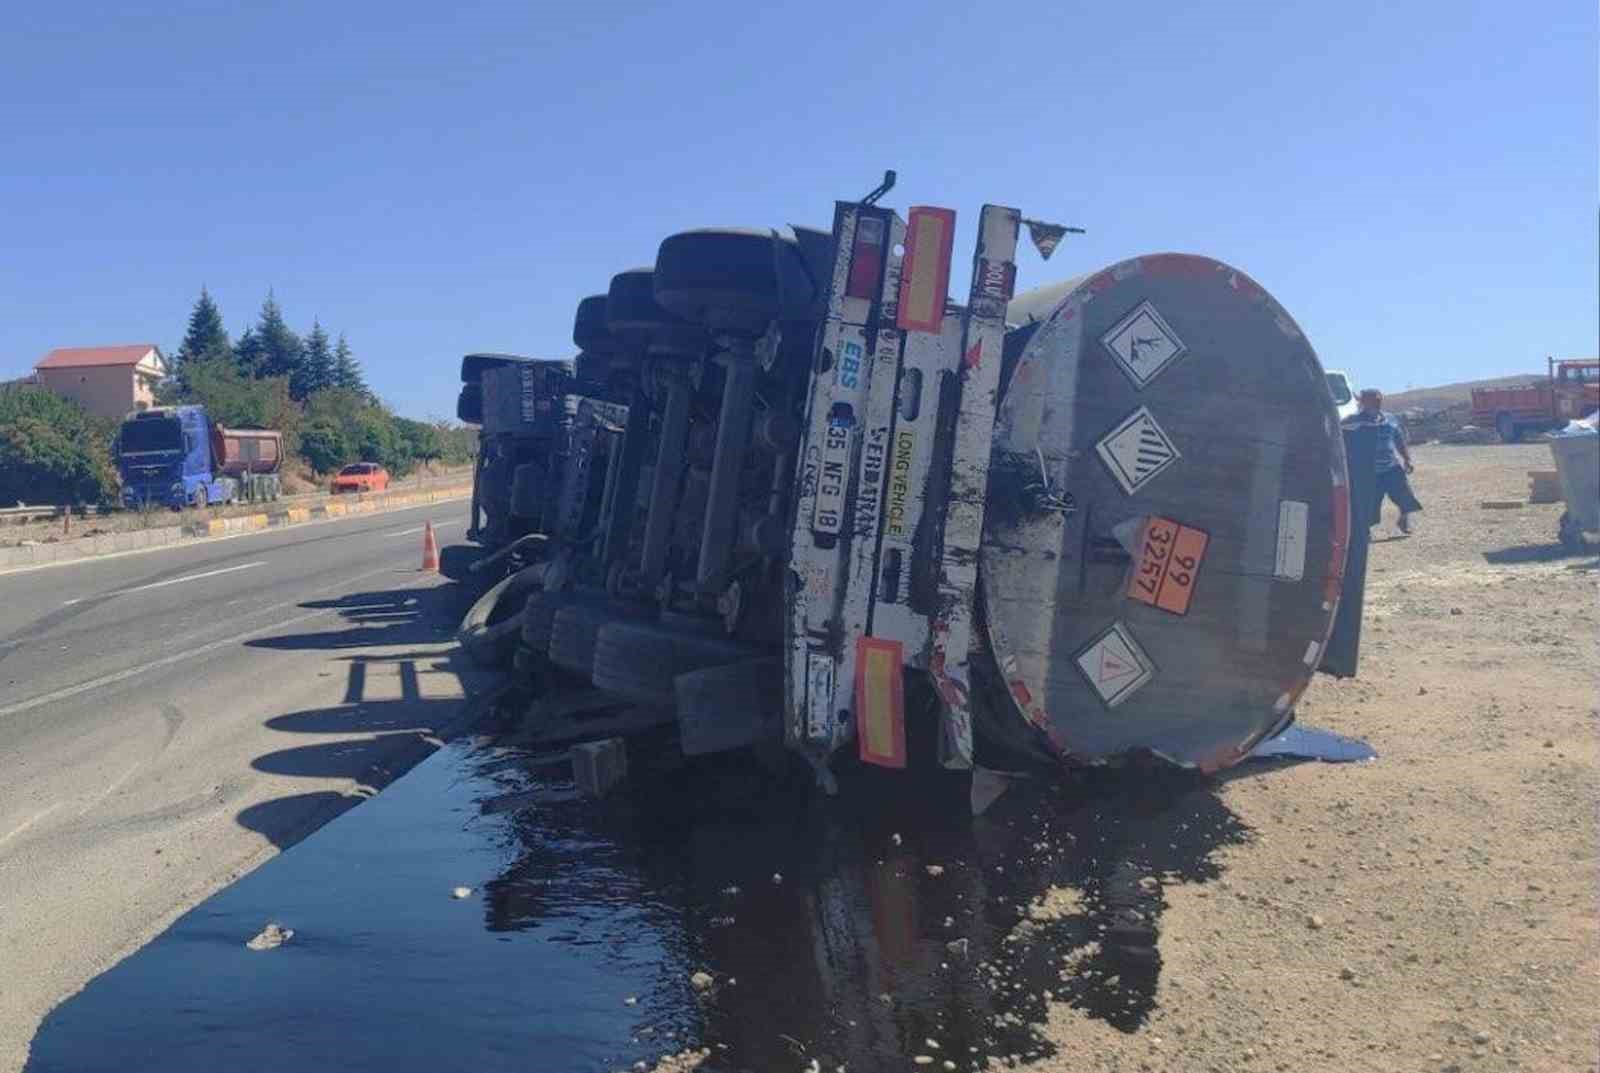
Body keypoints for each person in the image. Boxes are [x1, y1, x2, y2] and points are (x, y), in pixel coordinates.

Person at [1342, 388, 1422, 533]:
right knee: (1370, 503)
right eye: (1373, 400)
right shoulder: (1352, 421)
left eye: (1379, 400)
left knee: (1405, 496)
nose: (1378, 403)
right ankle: (1365, 531)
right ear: (1363, 402)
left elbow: (1399, 440)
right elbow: (1339, 439)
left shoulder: (1390, 419)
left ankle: (1404, 520)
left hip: (1392, 468)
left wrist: (1407, 459)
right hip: (1369, 471)